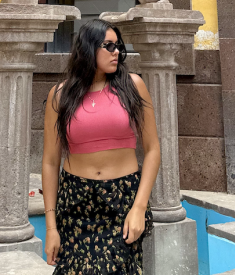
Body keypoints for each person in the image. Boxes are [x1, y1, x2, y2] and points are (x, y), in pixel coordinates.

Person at [41, 19, 161, 274]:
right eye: (108, 46)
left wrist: (139, 207)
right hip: (75, 203)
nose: (116, 51)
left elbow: (152, 150)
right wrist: (51, 227)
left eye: (118, 46)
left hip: (121, 201)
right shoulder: (60, 96)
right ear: (88, 49)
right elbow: (50, 162)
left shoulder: (133, 86)